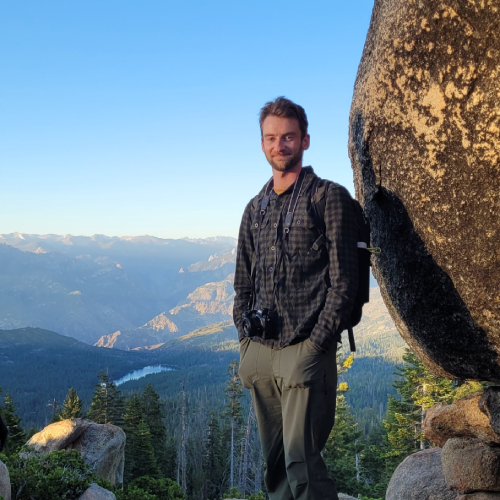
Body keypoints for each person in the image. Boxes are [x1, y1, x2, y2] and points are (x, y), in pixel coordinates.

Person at [233, 96, 358, 500]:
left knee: (302, 462)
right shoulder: (255, 209)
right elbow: (242, 283)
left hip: (305, 346)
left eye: (288, 136)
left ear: (305, 141)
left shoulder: (328, 198)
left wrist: (318, 343)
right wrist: (244, 339)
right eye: (271, 137)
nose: (279, 145)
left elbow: (345, 281)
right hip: (260, 350)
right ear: (262, 144)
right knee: (274, 463)